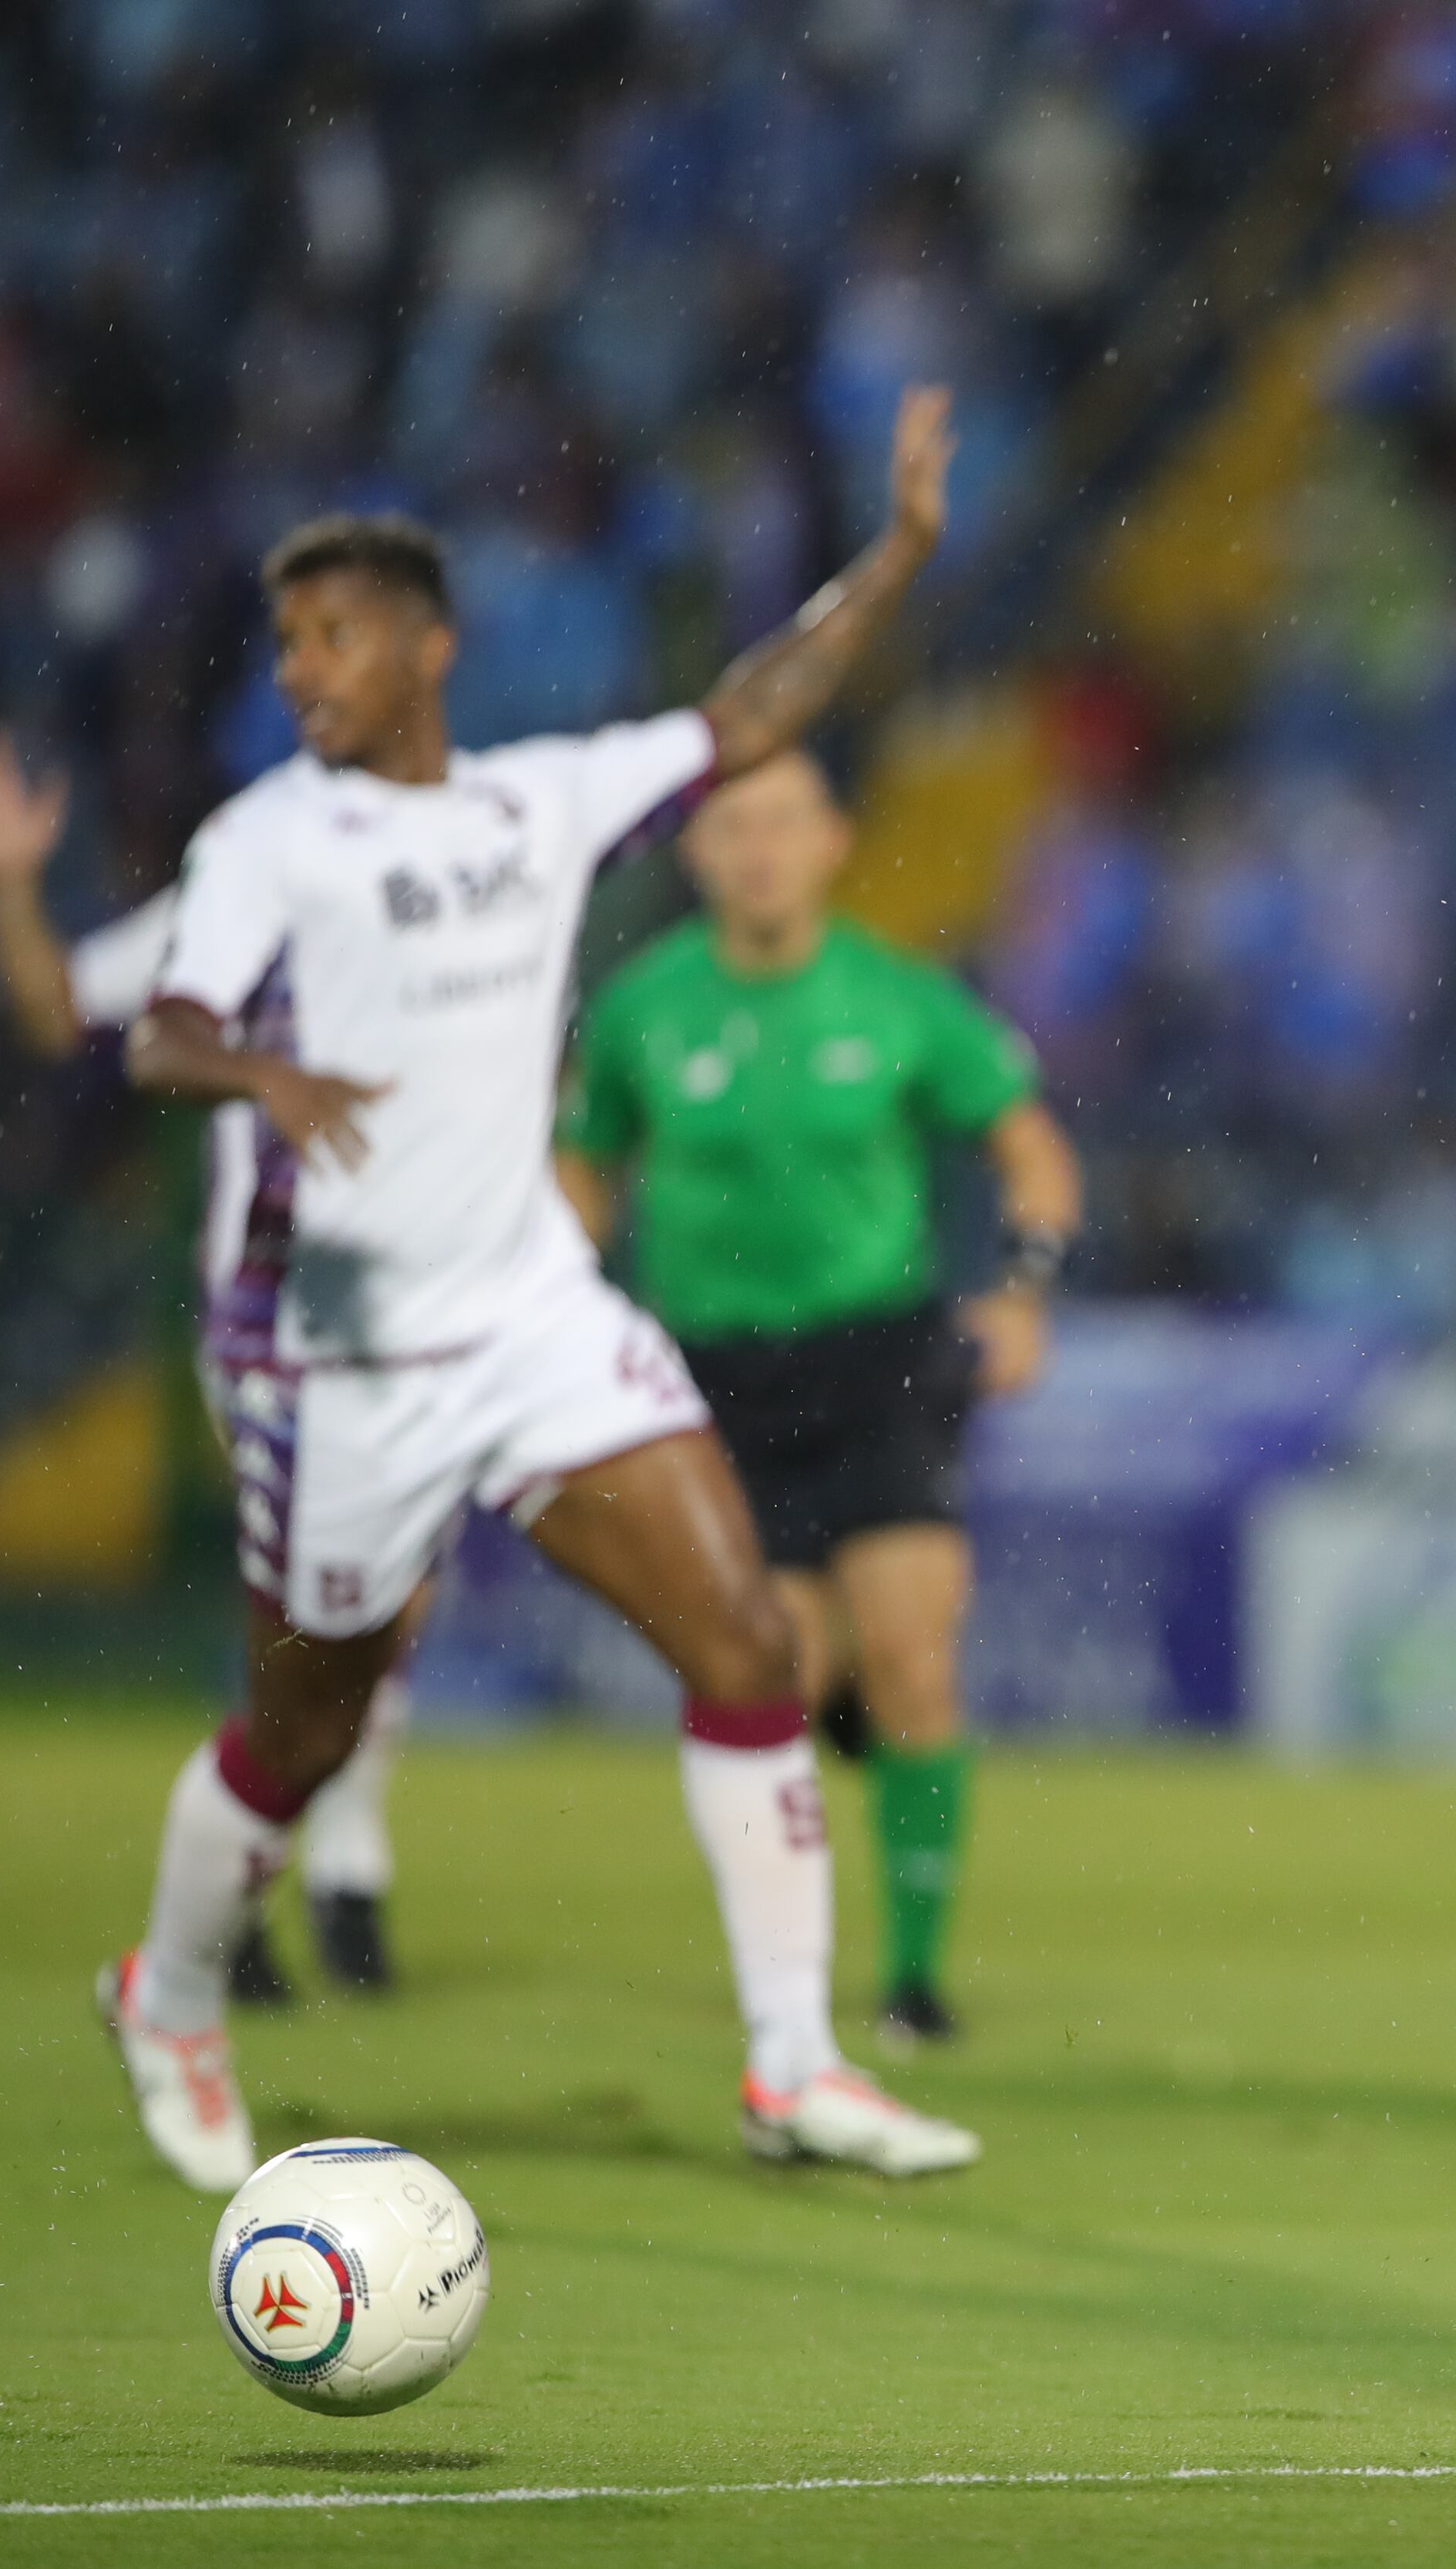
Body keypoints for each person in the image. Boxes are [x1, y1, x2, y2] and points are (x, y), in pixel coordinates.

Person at [94, 389, 980, 2190]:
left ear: (428, 644)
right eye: (284, 643)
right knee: (304, 1725)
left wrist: (891, 562)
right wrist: (258, 1077)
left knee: (743, 1647)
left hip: (530, 1316)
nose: (299, 671)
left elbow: (751, 714)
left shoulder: (536, 802)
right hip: (339, 1353)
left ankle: (794, 2064)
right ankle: (170, 1986)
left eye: (331, 635)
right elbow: (167, 1034)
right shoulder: (267, 841)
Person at [557, 748, 1082, 2049]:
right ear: (697, 851)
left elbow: (1030, 1147)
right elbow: (585, 1171)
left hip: (880, 1360)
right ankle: (784, 1977)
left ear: (832, 838)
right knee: (776, 1676)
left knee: (915, 1651)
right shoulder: (639, 1010)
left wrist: (1019, 1288)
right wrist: (556, 1304)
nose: (759, 850)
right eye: (734, 826)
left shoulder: (898, 997)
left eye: (784, 821)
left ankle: (914, 1981)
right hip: (711, 1377)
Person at [0, 728, 415, 1999]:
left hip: (428, 1290)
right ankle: (284, 1889)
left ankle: (332, 1863)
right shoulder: (228, 900)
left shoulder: (454, 894)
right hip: (275, 1301)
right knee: (307, 1599)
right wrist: (8, 882)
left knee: (386, 1598)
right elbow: (61, 1009)